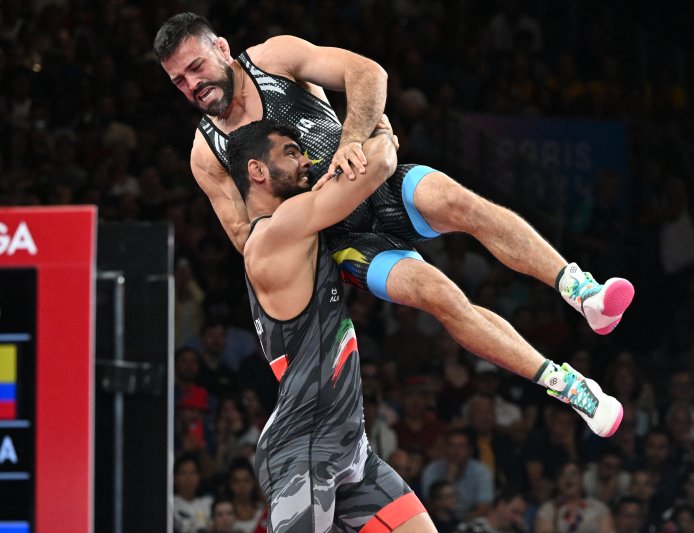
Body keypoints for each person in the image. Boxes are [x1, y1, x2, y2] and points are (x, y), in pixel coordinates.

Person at [154, 13, 632, 437]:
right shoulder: (207, 154)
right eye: (178, 81)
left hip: (373, 181)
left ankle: (582, 292)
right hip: (341, 242)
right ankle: (570, 386)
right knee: (439, 295)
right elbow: (249, 241)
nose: (192, 85)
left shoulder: (272, 58)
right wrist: (312, 217)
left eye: (195, 68)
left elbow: (367, 73)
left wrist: (355, 137)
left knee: (460, 202)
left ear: (220, 48)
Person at [227, 117, 449, 533]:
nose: (303, 159)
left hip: (349, 447)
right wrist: (380, 135)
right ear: (256, 170)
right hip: (304, 443)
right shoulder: (274, 234)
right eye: (289, 152)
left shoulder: (299, 226)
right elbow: (377, 168)